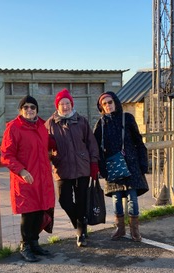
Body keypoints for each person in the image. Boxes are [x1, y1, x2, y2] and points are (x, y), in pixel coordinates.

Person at [1, 95, 55, 262]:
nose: (29, 110)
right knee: (28, 213)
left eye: (32, 107)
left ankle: (34, 243)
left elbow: (49, 145)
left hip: (42, 176)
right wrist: (22, 171)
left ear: (37, 110)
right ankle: (25, 245)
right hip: (25, 177)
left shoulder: (42, 126)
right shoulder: (14, 128)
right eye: (26, 107)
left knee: (40, 210)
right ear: (20, 110)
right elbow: (6, 155)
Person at [45, 89, 99, 247]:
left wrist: (94, 163)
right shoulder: (50, 123)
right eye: (61, 104)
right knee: (64, 201)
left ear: (71, 104)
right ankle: (80, 223)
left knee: (82, 201)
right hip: (62, 168)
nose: (65, 106)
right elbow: (43, 146)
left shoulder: (81, 121)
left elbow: (91, 143)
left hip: (82, 167)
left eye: (67, 103)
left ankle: (81, 232)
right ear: (57, 106)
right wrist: (50, 156)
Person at [93, 91, 149, 242]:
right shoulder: (101, 124)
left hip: (131, 164)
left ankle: (135, 230)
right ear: (101, 107)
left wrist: (143, 163)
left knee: (132, 198)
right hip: (112, 166)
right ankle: (120, 229)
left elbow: (138, 142)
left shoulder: (127, 118)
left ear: (115, 102)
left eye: (110, 102)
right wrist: (101, 168)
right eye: (104, 104)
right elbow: (96, 148)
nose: (108, 106)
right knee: (116, 199)